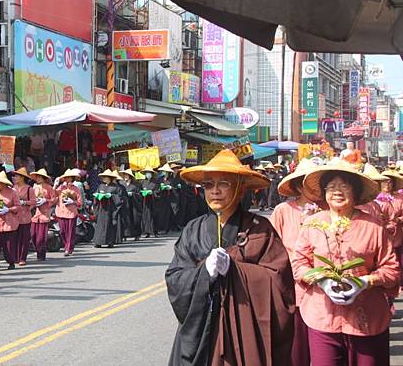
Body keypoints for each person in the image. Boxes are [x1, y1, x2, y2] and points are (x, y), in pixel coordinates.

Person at [166, 150, 294, 366]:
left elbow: (280, 282)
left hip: (245, 328)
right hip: (202, 326)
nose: (215, 191)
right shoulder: (193, 230)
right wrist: (203, 271)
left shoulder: (260, 229)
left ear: (240, 188)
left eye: (224, 183)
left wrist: (236, 270)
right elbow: (175, 277)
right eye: (208, 185)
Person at [292, 158, 400, 366]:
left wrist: (366, 281)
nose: (337, 191)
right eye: (331, 187)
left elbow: (392, 269)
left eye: (344, 186)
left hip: (365, 317)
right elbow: (299, 263)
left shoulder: (373, 226)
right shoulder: (313, 224)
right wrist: (322, 280)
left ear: (356, 191)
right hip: (322, 315)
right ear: (324, 193)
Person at [269, 158, 318, 366]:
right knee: (296, 349)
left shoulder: (328, 211)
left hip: (320, 290)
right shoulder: (283, 211)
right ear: (298, 186)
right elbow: (270, 247)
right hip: (291, 290)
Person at [0, 171, 21, 270]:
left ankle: (11, 261)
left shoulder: (12, 192)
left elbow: (18, 206)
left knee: (9, 244)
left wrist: (8, 209)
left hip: (9, 222)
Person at [30, 169, 56, 261]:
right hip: (34, 214)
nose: (38, 178)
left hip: (44, 214)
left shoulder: (49, 187)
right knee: (33, 235)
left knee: (41, 237)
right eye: (37, 177)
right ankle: (37, 250)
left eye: (40, 177)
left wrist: (46, 200)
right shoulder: (34, 187)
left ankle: (41, 254)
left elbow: (54, 199)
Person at [55, 169, 82, 257]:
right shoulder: (61, 188)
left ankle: (68, 248)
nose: (67, 179)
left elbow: (80, 203)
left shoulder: (76, 189)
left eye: (69, 177)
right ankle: (67, 244)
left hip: (71, 212)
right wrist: (55, 185)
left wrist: (73, 202)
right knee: (62, 231)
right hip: (61, 211)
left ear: (72, 178)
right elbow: (53, 194)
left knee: (70, 232)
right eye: (66, 178)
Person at [92, 169, 123, 249]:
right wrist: (97, 196)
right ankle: (98, 242)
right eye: (103, 177)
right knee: (99, 225)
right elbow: (96, 196)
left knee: (109, 225)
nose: (104, 178)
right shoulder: (101, 186)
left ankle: (109, 242)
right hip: (101, 209)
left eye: (105, 177)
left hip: (110, 209)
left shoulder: (115, 187)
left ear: (110, 178)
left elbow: (120, 198)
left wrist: (111, 196)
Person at [12, 167, 35, 266]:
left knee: (24, 238)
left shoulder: (29, 189)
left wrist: (25, 202)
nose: (15, 178)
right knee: (15, 237)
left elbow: (34, 201)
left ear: (22, 177)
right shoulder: (13, 188)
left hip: (25, 216)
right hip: (14, 216)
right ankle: (16, 256)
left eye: (16, 176)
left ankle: (22, 257)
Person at [119, 169, 142, 241]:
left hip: (134, 204)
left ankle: (137, 234)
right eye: (124, 175)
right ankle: (125, 235)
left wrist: (133, 194)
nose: (125, 176)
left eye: (127, 175)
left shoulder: (136, 184)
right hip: (126, 205)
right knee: (126, 219)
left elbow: (140, 194)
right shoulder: (122, 184)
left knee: (135, 219)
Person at [155, 163, 175, 235]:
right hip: (161, 198)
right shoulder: (159, 179)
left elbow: (175, 189)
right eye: (164, 171)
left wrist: (170, 188)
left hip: (169, 199)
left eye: (166, 171)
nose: (164, 172)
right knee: (161, 214)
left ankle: (166, 228)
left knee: (167, 214)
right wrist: (160, 188)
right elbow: (156, 189)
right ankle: (161, 228)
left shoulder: (171, 180)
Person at [140, 166, 159, 238]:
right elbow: (140, 190)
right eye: (146, 173)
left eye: (149, 173)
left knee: (153, 216)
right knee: (145, 216)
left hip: (153, 201)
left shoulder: (156, 182)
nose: (148, 174)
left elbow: (158, 191)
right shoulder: (142, 182)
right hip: (145, 202)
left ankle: (154, 231)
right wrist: (143, 192)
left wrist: (152, 192)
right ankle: (146, 231)